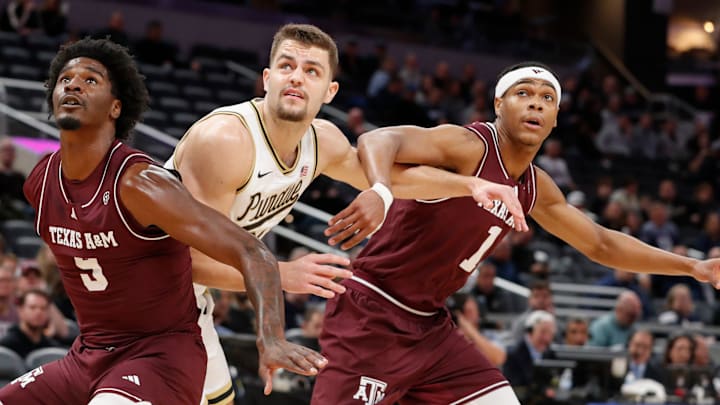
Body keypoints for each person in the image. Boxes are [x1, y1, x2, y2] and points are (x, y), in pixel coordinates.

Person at [313, 61, 720, 405]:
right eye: (524, 93)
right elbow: (379, 138)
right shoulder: (470, 145)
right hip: (373, 311)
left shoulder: (535, 187)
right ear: (498, 104)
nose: (536, 103)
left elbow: (601, 243)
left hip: (431, 328)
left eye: (547, 98)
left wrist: (693, 267)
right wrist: (381, 190)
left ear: (557, 117)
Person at [166, 23, 528, 405]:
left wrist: (470, 186)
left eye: (312, 71)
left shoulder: (322, 141)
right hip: (143, 286)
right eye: (287, 66)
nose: (297, 78)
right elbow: (185, 261)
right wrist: (281, 274)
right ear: (267, 78)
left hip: (188, 298)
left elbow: (394, 178)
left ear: (330, 91)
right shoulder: (226, 142)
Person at [0, 38, 326, 405]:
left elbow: (251, 250)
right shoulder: (39, 183)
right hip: (88, 355)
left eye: (90, 80)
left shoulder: (141, 184)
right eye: (65, 79)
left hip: (161, 357)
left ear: (116, 107)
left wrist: (272, 338)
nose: (73, 84)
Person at [0, 288, 60, 358]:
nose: (38, 312)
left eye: (43, 308)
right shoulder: (7, 346)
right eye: (32, 307)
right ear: (20, 310)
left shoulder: (51, 348)